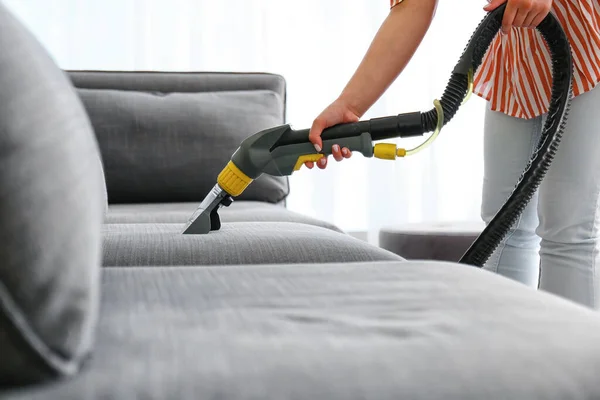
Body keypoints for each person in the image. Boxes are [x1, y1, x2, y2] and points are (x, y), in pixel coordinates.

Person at [305, 0, 600, 309]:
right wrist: (350, 105)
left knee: (567, 231)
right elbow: (414, 5)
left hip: (586, 39)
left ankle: (570, 354)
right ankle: (503, 351)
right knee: (501, 229)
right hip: (516, 57)